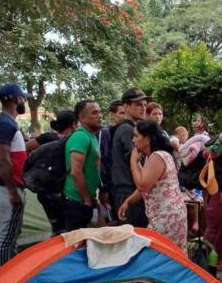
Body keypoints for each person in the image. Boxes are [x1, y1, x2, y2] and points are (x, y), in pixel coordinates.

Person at [118, 120, 187, 251]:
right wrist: (129, 201)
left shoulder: (157, 156)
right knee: (171, 256)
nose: (133, 140)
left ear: (148, 139)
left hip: (166, 217)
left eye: (136, 136)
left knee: (161, 255)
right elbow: (148, 185)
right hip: (170, 214)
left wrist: (133, 161)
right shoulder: (157, 156)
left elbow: (143, 185)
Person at [0, 83, 29, 266]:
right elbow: (2, 159)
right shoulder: (4, 124)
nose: (24, 101)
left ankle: (11, 270)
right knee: (6, 236)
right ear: (17, 99)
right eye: (23, 98)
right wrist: (12, 192)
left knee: (12, 233)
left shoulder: (8, 122)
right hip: (6, 188)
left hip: (12, 186)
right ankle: (5, 276)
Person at [32, 110, 78, 235]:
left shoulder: (47, 138)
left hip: (46, 193)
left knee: (57, 229)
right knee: (69, 231)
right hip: (63, 194)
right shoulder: (74, 142)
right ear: (74, 124)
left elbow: (26, 148)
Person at [110, 87, 150, 227]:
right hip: (129, 192)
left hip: (130, 192)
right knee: (134, 241)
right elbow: (138, 162)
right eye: (138, 104)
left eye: (145, 105)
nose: (143, 108)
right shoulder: (128, 130)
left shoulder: (128, 128)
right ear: (126, 106)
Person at [62, 100, 102, 232]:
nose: (100, 115)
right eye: (94, 112)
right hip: (76, 202)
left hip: (85, 200)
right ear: (81, 117)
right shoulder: (80, 136)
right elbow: (76, 171)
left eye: (100, 112)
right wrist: (86, 199)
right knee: (76, 243)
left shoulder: (91, 136)